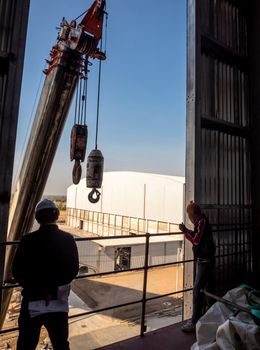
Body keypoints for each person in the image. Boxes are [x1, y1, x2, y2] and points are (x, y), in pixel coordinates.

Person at [12, 199, 79, 350]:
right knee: (60, 343)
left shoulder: (27, 240)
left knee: (26, 343)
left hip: (32, 300)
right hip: (58, 301)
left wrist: (40, 291)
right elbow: (72, 270)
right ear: (56, 215)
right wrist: (51, 291)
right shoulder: (68, 239)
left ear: (37, 218)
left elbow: (17, 271)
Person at [179, 201, 215, 333]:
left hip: (204, 262)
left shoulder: (202, 223)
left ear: (193, 214)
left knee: (197, 291)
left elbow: (195, 240)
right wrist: (187, 230)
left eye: (189, 216)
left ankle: (195, 321)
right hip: (206, 260)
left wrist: (184, 232)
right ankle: (211, 316)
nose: (189, 219)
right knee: (209, 289)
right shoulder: (201, 222)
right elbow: (196, 236)